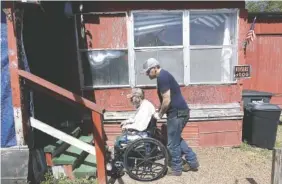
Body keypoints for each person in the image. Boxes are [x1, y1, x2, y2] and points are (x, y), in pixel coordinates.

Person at [142, 58, 199, 176]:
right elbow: (164, 100)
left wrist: (160, 114)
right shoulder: (163, 75)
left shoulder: (162, 77)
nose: (147, 74)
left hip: (176, 113)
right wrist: (159, 110)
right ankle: (192, 161)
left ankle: (177, 169)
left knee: (172, 144)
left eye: (148, 71)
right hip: (180, 112)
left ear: (154, 68)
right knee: (176, 139)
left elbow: (167, 100)